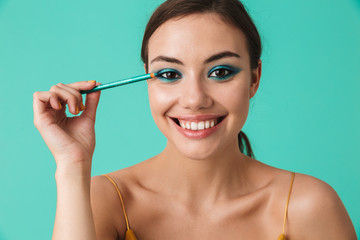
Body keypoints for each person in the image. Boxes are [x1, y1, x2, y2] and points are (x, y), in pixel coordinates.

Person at [33, 0, 357, 239]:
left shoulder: (310, 206)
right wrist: (72, 165)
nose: (194, 99)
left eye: (220, 72)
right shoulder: (104, 199)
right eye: (170, 74)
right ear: (148, 81)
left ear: (254, 79)